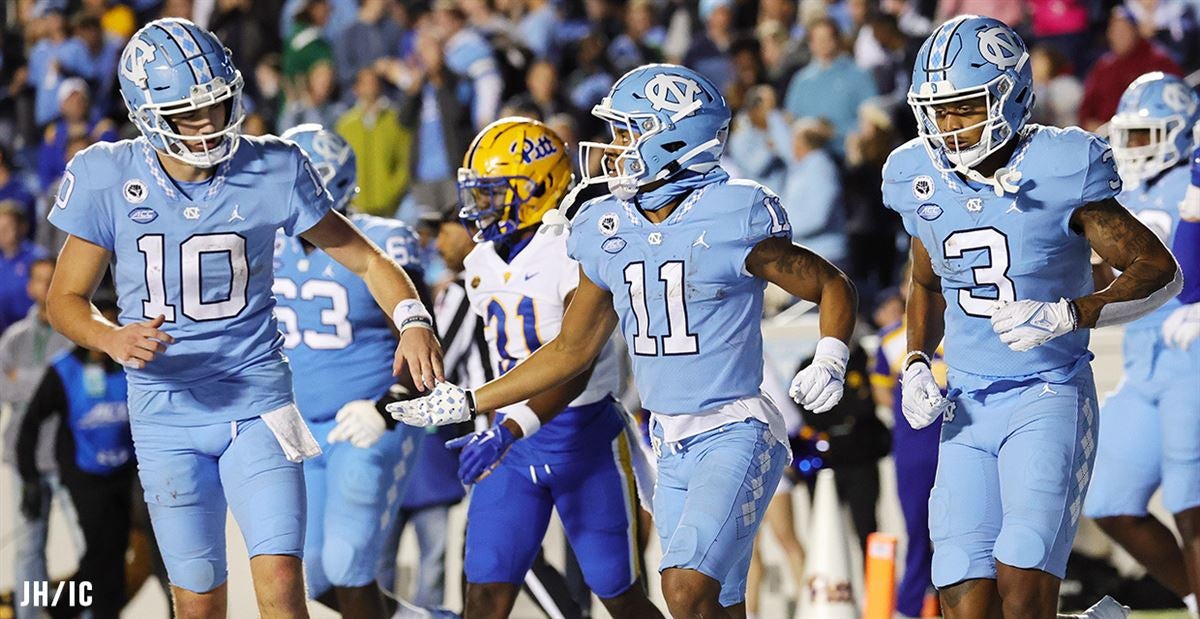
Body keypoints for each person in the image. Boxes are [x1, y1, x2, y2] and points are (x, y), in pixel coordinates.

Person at [391, 64, 858, 618]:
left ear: (675, 137)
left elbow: (830, 282)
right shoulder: (607, 225)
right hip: (666, 437)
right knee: (720, 602)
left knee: (683, 588)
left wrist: (831, 355)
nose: (612, 149)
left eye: (626, 132)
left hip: (735, 426)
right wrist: (472, 401)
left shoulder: (732, 212)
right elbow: (571, 350)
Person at [44, 18, 442, 618]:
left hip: (257, 400)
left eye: (217, 104)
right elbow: (64, 300)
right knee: (199, 600)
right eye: (188, 113)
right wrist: (112, 337)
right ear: (148, 113)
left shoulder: (274, 165)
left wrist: (413, 319)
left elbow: (366, 256)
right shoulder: (107, 174)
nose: (208, 124)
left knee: (284, 582)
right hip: (164, 413)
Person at [886, 15, 1181, 619]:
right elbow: (926, 279)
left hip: (1046, 393)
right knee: (960, 589)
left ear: (1010, 94)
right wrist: (917, 357)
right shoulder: (917, 174)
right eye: (938, 111)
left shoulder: (1061, 163)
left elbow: (1157, 268)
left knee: (1023, 576)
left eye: (965, 107)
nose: (950, 126)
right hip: (965, 401)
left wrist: (1072, 312)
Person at [435, 116, 662, 619]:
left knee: (620, 596)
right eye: (479, 192)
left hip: (584, 441)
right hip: (510, 449)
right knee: (484, 598)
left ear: (539, 186)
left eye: (495, 192)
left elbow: (575, 361)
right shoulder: (480, 261)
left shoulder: (572, 249)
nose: (480, 207)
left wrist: (509, 424)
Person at [274, 124, 431, 618]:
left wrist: (388, 407)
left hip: (368, 419)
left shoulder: (383, 242)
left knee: (347, 564)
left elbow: (426, 343)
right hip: (303, 425)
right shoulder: (266, 246)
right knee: (317, 576)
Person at [1083, 72, 1200, 616]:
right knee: (1108, 498)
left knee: (1190, 501)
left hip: (1192, 353)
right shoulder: (1125, 193)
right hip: (1143, 360)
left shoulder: (1193, 183)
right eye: (1127, 135)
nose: (1132, 148)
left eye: (1145, 134)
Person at [17, 299, 131, 619]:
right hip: (84, 477)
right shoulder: (64, 370)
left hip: (122, 475)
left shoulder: (128, 366)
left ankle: (64, 606)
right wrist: (29, 479)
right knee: (99, 552)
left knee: (114, 552)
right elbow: (30, 425)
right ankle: (61, 607)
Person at [0, 257, 73, 619]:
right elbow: (2, 385)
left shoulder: (75, 335)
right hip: (23, 458)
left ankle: (85, 612)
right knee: (29, 546)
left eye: (53, 281)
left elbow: (69, 391)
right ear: (30, 287)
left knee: (84, 543)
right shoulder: (14, 338)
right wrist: (46, 383)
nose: (46, 289)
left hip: (65, 456)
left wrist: (23, 380)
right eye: (41, 281)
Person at [0, 203, 48, 335]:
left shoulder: (38, 258)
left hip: (32, 330)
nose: (2, 232)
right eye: (0, 227)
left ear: (22, 227)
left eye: (7, 226)